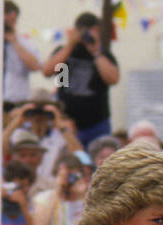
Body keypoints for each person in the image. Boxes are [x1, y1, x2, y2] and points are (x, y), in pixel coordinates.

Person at [41, 12, 120, 143]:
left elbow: (113, 79)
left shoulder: (103, 54)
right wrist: (70, 45)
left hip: (96, 122)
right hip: (67, 121)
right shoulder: (64, 51)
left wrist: (96, 52)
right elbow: (47, 71)